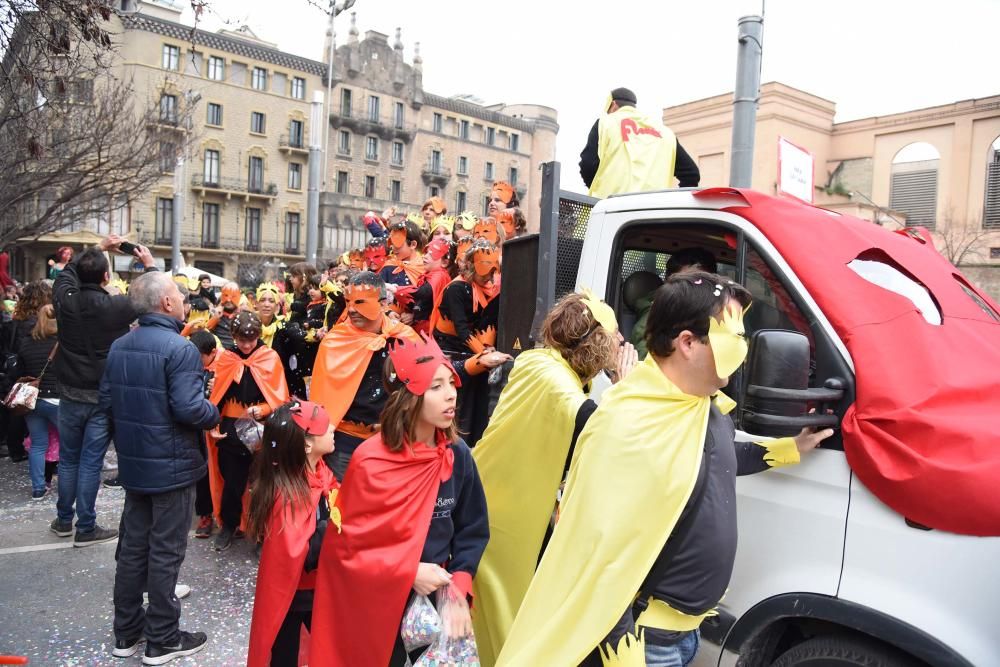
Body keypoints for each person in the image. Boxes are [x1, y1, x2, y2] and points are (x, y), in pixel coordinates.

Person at [497, 272, 834, 666]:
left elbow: (720, 458)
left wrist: (790, 448)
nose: (743, 348)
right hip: (645, 643)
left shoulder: (701, 407)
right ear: (688, 343)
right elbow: (598, 558)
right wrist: (625, 654)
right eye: (733, 336)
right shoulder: (625, 426)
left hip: (686, 633)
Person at [471, 292, 637, 665]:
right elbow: (599, 428)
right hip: (504, 519)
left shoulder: (546, 365)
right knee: (503, 617)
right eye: (616, 339)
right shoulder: (552, 379)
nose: (622, 346)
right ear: (596, 343)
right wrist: (627, 388)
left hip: (507, 508)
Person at [311, 334, 489, 667]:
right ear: (409, 398)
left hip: (437, 594)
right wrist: (406, 572)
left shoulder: (457, 454)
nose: (451, 393)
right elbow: (348, 549)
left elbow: (472, 528)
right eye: (436, 387)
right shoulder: (369, 461)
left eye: (451, 382)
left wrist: (459, 588)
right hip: (379, 600)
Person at [100, 271, 220, 664]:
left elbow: (107, 403)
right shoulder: (179, 349)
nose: (184, 300)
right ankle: (163, 637)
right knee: (165, 552)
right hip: (170, 466)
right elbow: (189, 408)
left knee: (133, 548)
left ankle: (127, 631)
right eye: (179, 295)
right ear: (166, 304)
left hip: (135, 464)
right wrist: (212, 410)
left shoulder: (120, 346)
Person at [51, 235, 156, 546]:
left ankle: (63, 520)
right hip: (100, 395)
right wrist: (148, 266)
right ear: (106, 277)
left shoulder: (64, 299)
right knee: (90, 461)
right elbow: (147, 296)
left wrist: (96, 248)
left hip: (69, 392)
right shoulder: (113, 307)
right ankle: (85, 526)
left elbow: (67, 273)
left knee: (68, 459)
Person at [245, 400, 336, 666]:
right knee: (285, 655)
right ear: (307, 444)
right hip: (298, 597)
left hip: (319, 591)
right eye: (324, 426)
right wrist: (337, 529)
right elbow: (297, 551)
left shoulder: (320, 474)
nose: (332, 428)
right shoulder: (288, 496)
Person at [309, 271, 420, 481]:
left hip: (392, 439)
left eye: (360, 302)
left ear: (384, 303)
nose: (351, 309)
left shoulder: (403, 337)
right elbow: (321, 398)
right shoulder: (336, 341)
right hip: (344, 441)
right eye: (348, 301)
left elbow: (423, 383)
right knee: (342, 506)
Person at [206, 312, 289, 552]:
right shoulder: (227, 358)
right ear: (233, 337)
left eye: (251, 340)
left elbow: (279, 397)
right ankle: (229, 525)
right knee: (233, 482)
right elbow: (216, 397)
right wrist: (213, 424)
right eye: (242, 339)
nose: (246, 345)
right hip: (231, 428)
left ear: (258, 337)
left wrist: (261, 409)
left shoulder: (269, 357)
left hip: (261, 429)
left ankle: (263, 530)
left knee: (263, 483)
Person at [434, 239, 502, 446]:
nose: (490, 278)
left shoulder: (489, 289)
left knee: (478, 406)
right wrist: (483, 353)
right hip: (451, 353)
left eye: (493, 272)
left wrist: (487, 346)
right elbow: (462, 330)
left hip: (472, 352)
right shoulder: (456, 289)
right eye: (486, 272)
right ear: (472, 267)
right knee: (459, 406)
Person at [579, 87, 701, 199]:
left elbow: (588, 165)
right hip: (654, 215)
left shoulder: (605, 123)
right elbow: (691, 174)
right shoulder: (665, 133)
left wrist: (598, 190)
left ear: (613, 104)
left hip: (611, 211)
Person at [628, 247, 718, 359]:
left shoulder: (717, 315)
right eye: (685, 284)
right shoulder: (652, 319)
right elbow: (646, 363)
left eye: (700, 283)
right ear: (668, 285)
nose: (694, 291)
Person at [17, 299, 61, 500]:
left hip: (33, 401)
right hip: (57, 400)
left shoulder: (26, 343)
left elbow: (18, 371)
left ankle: (38, 488)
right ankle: (72, 485)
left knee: (38, 444)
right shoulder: (62, 343)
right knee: (71, 443)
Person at [190, 329, 222, 539]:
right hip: (198, 427)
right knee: (202, 473)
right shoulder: (191, 364)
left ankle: (230, 517)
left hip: (220, 427)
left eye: (200, 357)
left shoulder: (226, 364)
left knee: (223, 473)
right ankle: (205, 514)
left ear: (212, 352)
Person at [274, 262, 319, 399]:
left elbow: (306, 318)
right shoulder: (297, 296)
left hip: (304, 354)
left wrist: (292, 307)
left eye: (294, 276)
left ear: (304, 277)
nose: (291, 279)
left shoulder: (311, 298)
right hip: (294, 352)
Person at [411, 237, 456, 337]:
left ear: (445, 262)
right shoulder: (429, 274)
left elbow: (424, 292)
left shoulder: (440, 275)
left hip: (430, 332)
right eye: (426, 253)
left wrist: (397, 289)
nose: (425, 257)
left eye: (431, 254)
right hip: (422, 329)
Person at [255, 282, 285, 348]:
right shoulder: (248, 323)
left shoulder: (282, 326)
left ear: (277, 306)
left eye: (271, 301)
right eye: (262, 300)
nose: (266, 305)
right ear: (256, 303)